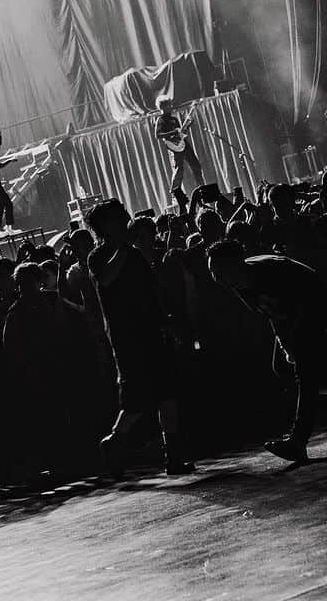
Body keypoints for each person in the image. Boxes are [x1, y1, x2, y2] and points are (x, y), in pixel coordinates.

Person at [85, 199, 194, 476]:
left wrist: (166, 321)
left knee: (167, 393)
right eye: (117, 218)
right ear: (105, 226)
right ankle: (112, 442)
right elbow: (106, 279)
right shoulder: (97, 257)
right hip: (127, 339)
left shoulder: (133, 254)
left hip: (151, 333)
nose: (124, 221)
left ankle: (174, 456)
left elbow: (151, 290)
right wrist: (123, 248)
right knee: (134, 402)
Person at [207, 240, 327, 463]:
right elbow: (271, 313)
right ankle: (313, 394)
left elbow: (298, 303)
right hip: (291, 315)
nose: (215, 277)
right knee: (283, 367)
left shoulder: (269, 273)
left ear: (234, 265)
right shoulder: (238, 284)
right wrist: (285, 345)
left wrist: (295, 343)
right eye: (212, 272)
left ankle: (298, 440)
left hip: (313, 303)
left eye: (218, 271)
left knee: (304, 371)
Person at [154, 95, 205, 196]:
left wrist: (188, 125)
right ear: (163, 107)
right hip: (174, 146)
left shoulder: (174, 119)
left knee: (196, 165)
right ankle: (174, 192)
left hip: (183, 143)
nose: (171, 107)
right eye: (169, 105)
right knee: (179, 170)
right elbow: (158, 135)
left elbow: (181, 132)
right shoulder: (161, 120)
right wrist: (173, 132)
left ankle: (202, 188)